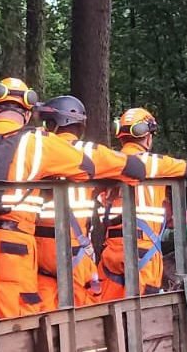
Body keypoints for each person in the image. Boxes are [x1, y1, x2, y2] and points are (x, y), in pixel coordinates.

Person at [0, 79, 108, 318]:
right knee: (18, 316)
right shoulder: (37, 143)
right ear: (27, 113)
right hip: (15, 244)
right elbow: (88, 167)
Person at [36, 95, 146, 306]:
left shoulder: (36, 149)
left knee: (43, 309)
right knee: (84, 312)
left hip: (36, 251)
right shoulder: (89, 152)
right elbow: (136, 169)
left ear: (52, 124)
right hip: (72, 251)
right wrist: (105, 178)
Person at [100, 108, 187, 300]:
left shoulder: (108, 163)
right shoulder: (154, 164)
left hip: (111, 250)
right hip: (143, 251)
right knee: (145, 311)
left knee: (108, 309)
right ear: (147, 135)